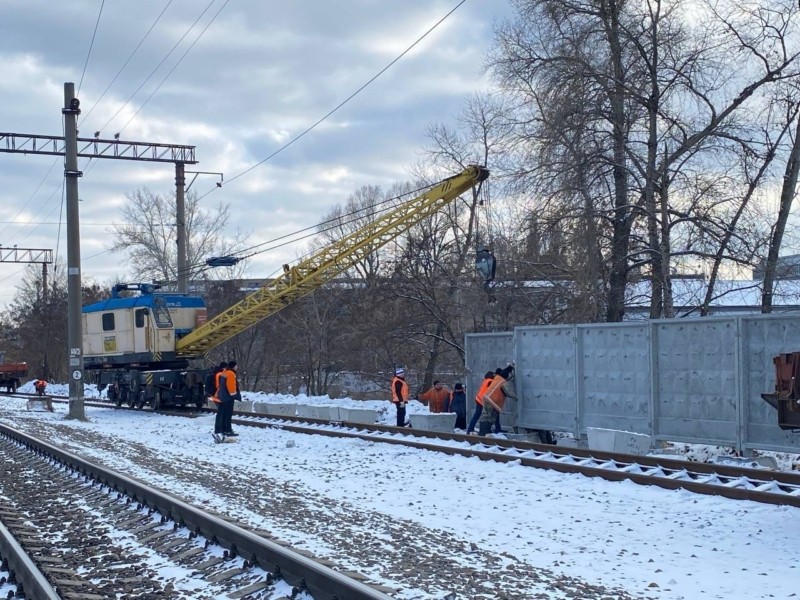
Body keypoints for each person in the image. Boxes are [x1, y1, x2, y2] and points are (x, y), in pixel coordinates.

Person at [479, 364, 517, 436]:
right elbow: (507, 392)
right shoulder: (502, 381)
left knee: (488, 417)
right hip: (491, 400)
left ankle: (485, 432)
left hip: (491, 400)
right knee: (487, 417)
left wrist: (510, 368)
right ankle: (483, 433)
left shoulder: (498, 379)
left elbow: (505, 372)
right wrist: (516, 397)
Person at [216, 361, 242, 437]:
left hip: (223, 396)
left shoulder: (225, 372)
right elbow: (231, 387)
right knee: (228, 414)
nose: (237, 367)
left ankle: (223, 429)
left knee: (223, 414)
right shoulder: (231, 374)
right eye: (236, 366)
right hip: (228, 398)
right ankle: (228, 430)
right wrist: (234, 395)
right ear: (234, 366)